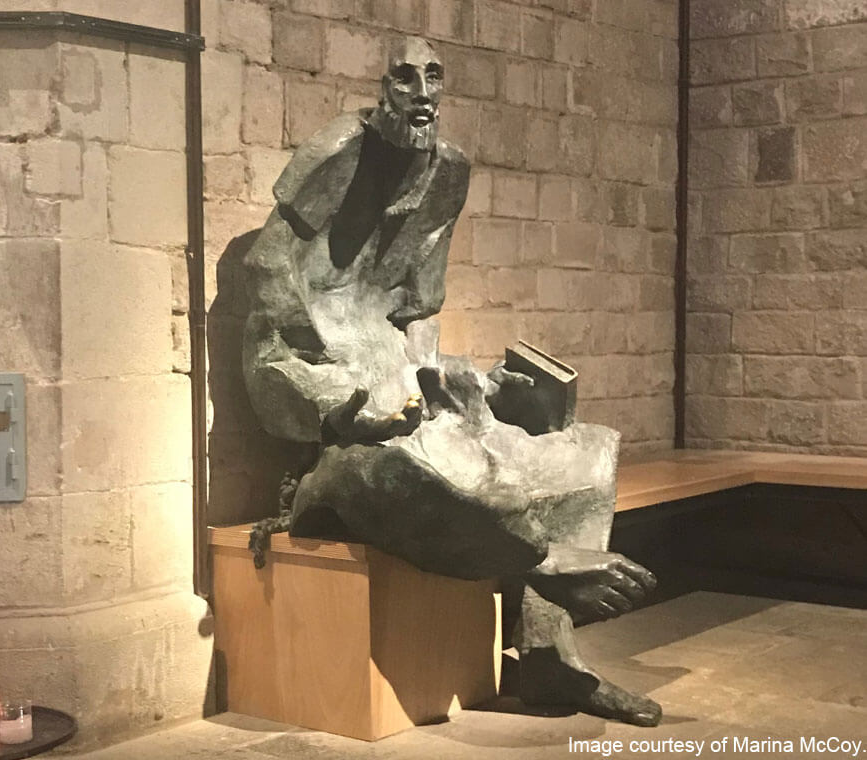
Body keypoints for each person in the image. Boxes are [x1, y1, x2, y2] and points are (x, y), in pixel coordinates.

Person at [241, 35, 662, 727]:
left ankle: (550, 659)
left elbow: (418, 313)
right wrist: (344, 405)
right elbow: (269, 341)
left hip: (402, 391)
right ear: (383, 88)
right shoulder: (326, 178)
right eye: (407, 78)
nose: (423, 93)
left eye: (434, 77)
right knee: (417, 474)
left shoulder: (445, 172)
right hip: (335, 424)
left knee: (583, 447)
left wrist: (472, 388)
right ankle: (544, 561)